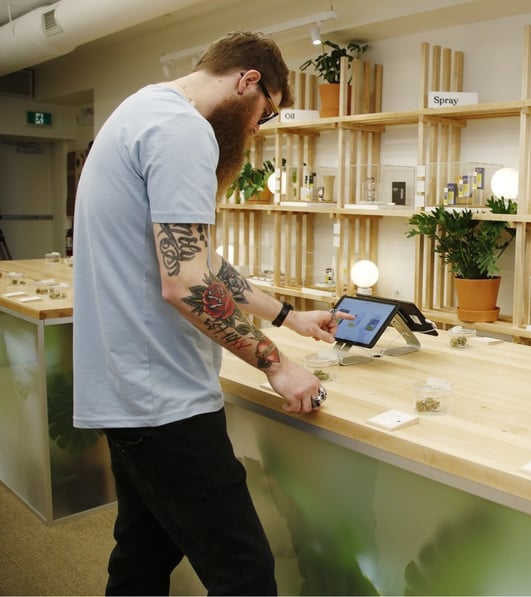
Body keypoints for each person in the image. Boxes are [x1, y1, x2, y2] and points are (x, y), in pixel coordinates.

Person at [72, 31, 346, 595]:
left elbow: (199, 259)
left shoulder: (142, 110)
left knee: (144, 554)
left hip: (124, 390)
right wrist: (276, 363)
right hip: (163, 401)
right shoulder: (183, 131)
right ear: (248, 82)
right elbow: (186, 282)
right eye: (262, 116)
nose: (253, 131)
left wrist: (288, 315)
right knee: (243, 573)